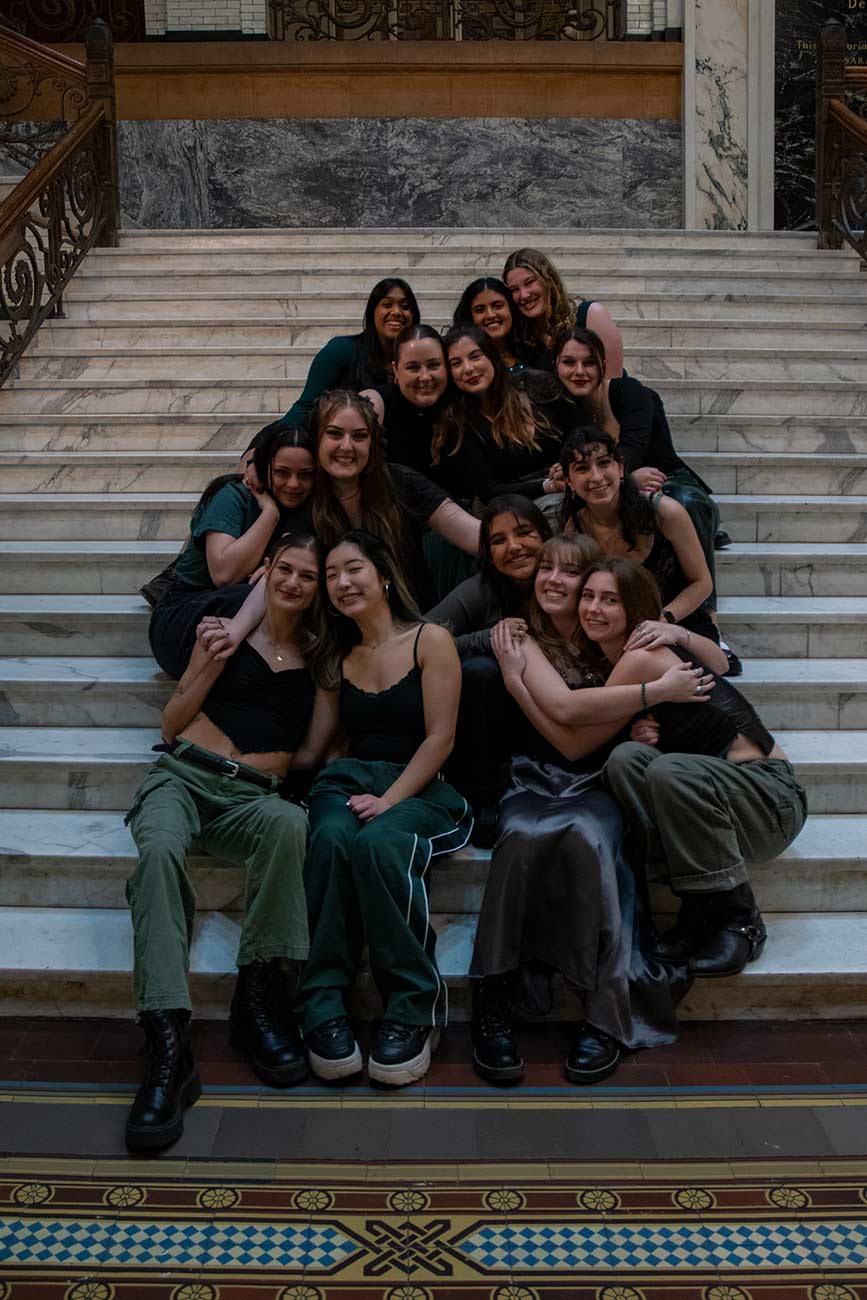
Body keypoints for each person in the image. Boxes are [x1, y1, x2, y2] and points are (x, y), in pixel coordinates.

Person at [470, 536, 719, 1085]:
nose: (554, 580)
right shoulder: (522, 636)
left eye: (571, 572)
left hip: (604, 780)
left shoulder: (617, 637)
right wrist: (653, 695)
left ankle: (605, 1014)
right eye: (546, 569)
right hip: (535, 776)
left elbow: (720, 663)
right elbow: (565, 733)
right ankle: (493, 994)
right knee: (518, 838)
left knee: (592, 838)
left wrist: (668, 657)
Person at [124, 531, 329, 1149]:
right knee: (159, 852)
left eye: (308, 576)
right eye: (285, 569)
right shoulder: (222, 633)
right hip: (184, 775)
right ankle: (167, 1041)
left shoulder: (324, 663)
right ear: (266, 570)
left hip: (253, 798)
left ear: (321, 589)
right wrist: (209, 662)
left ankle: (257, 999)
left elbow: (314, 751)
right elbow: (171, 721)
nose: (293, 583)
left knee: (292, 825)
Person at [290, 531, 473, 1086]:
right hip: (347, 780)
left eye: (354, 569)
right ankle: (321, 1007)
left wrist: (390, 801)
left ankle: (413, 1011)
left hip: (417, 785)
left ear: (384, 575)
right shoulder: (334, 655)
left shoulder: (430, 640)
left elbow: (440, 738)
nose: (342, 583)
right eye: (331, 576)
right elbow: (314, 748)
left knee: (380, 841)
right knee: (329, 838)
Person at [579, 557, 807, 978]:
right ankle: (700, 907)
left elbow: (580, 740)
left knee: (671, 770)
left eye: (609, 600)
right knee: (628, 760)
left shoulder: (639, 658)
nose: (593, 608)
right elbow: (718, 666)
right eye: (588, 596)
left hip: (772, 801)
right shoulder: (644, 654)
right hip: (725, 797)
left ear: (634, 611)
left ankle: (742, 920)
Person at [555, 324, 730, 596]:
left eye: (588, 362)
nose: (579, 371)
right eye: (569, 362)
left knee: (683, 503)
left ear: (603, 365)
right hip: (621, 485)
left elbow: (634, 447)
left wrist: (622, 477)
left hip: (667, 481)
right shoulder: (562, 410)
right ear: (556, 366)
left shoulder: (628, 391)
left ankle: (707, 616)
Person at [426, 496, 551, 844]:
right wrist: (486, 638)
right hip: (491, 727)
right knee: (479, 671)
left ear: (545, 535)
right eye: (498, 541)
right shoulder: (482, 589)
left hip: (555, 711)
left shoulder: (566, 580)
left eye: (524, 532)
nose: (513, 547)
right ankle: (481, 800)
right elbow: (420, 638)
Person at [148, 424, 316, 680]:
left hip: (240, 622)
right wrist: (269, 514)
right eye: (282, 472)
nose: (294, 484)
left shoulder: (309, 511)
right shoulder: (232, 496)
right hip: (185, 618)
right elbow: (224, 574)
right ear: (264, 469)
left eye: (304, 475)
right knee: (276, 593)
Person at [560, 428, 718, 643]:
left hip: (680, 624)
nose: (596, 477)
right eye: (582, 468)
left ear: (621, 468)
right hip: (614, 632)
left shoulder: (664, 512)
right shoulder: (574, 528)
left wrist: (663, 620)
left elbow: (702, 583)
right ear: (569, 481)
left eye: (604, 463)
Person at [436, 326, 569, 504]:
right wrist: (549, 486)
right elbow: (489, 490)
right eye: (456, 363)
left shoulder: (535, 385)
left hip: (570, 483)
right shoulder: (457, 423)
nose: (468, 369)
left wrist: (567, 465)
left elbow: (581, 431)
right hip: (513, 506)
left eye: (475, 356)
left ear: (492, 356)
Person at [281, 278, 420, 428]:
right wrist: (265, 443)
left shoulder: (423, 359)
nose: (397, 312)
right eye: (387, 305)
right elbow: (305, 408)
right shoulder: (342, 350)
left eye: (405, 306)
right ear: (372, 312)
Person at [503, 247, 624, 377]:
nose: (524, 295)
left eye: (530, 282)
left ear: (548, 279)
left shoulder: (591, 314)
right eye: (514, 289)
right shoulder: (520, 335)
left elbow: (613, 385)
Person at [361, 323, 452, 485]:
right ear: (396, 371)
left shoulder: (458, 404)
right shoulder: (378, 403)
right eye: (413, 367)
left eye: (433, 365)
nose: (425, 377)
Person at [452, 276, 523, 372]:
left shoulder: (533, 352)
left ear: (511, 309)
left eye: (497, 306)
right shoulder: (465, 367)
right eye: (480, 310)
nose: (490, 315)